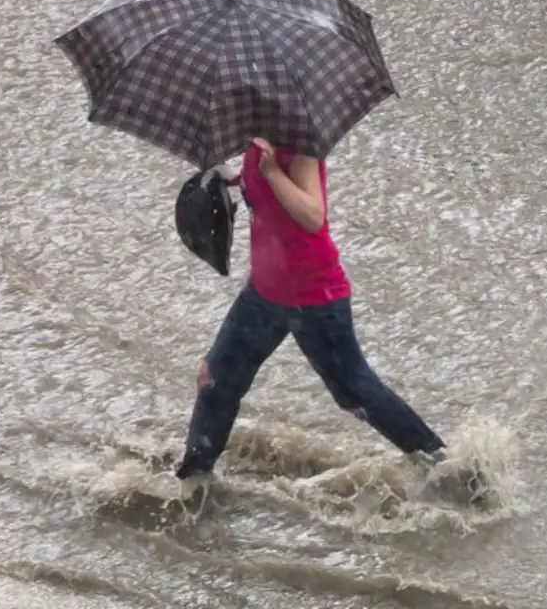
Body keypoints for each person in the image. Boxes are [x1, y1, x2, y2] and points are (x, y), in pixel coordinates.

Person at [174, 136, 448, 484]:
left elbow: (312, 215)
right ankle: (194, 480)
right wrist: (224, 173)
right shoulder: (256, 139)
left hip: (314, 295)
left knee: (353, 393)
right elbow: (253, 183)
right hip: (265, 292)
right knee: (215, 378)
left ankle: (442, 467)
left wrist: (272, 172)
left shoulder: (300, 142)